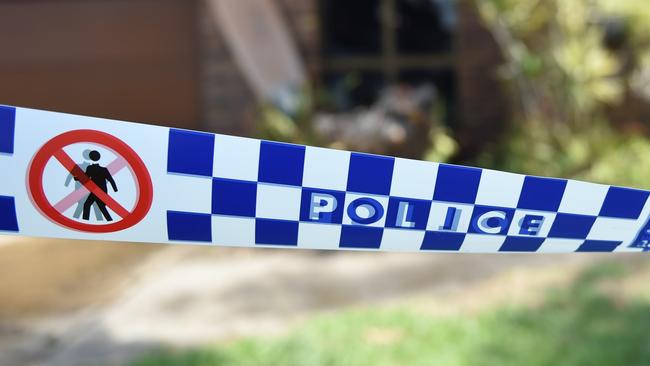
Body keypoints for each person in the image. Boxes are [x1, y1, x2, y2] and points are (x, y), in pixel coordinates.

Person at [82, 150, 118, 221]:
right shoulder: (91, 168)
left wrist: (115, 189)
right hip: (94, 190)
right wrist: (76, 178)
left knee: (99, 206)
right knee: (89, 205)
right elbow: (85, 177)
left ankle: (109, 220)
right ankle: (85, 221)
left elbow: (111, 180)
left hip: (100, 191)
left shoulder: (102, 169)